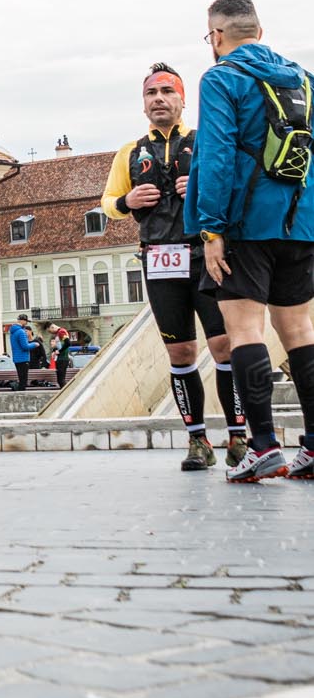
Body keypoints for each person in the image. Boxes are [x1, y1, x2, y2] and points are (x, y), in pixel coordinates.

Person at [183, 0, 314, 483]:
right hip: (301, 223)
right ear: (259, 32)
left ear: (216, 36)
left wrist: (211, 229)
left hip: (244, 223)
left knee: (244, 331)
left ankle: (262, 446)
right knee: (300, 332)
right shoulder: (304, 79)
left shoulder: (222, 78)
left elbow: (216, 155)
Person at [101, 62, 247, 471]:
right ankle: (197, 441)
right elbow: (108, 203)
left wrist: (200, 188)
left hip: (206, 255)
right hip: (160, 258)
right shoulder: (130, 152)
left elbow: (235, 188)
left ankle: (238, 437)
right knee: (180, 352)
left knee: (224, 346)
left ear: (183, 101)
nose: (159, 99)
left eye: (167, 92)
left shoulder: (205, 142)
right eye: (151, 93)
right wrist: (127, 202)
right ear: (143, 104)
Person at [8, 315, 34, 390]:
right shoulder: (21, 332)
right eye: (26, 321)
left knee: (21, 378)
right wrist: (34, 344)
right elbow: (25, 346)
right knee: (23, 381)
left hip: (16, 358)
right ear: (22, 321)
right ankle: (21, 394)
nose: (26, 323)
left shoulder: (13, 332)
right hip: (23, 358)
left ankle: (20, 391)